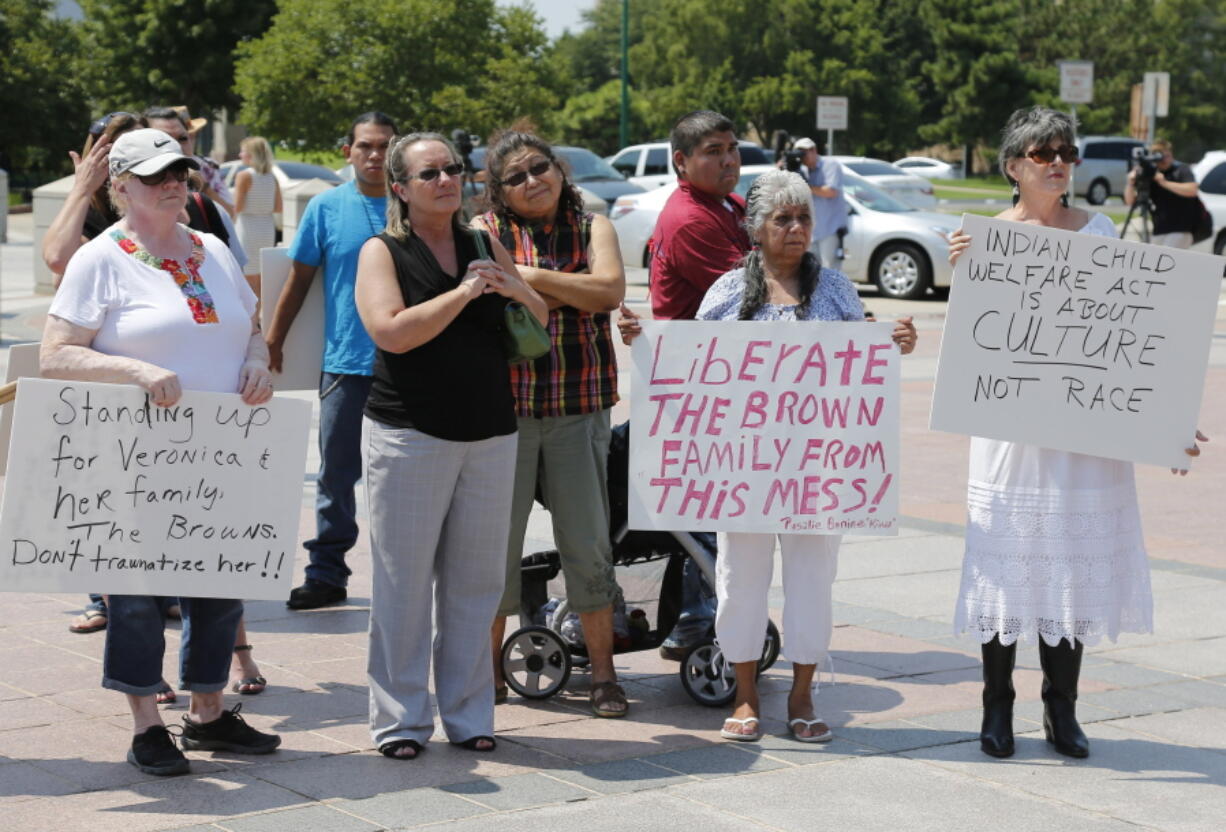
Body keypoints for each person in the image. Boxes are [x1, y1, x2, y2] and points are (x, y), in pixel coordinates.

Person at [947, 106, 1205, 760]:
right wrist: (963, 271)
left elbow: (1133, 335)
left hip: (1082, 436)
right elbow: (974, 347)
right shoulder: (983, 238)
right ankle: (996, 708)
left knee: (1069, 567)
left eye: (1065, 151)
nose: (1058, 162)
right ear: (1013, 167)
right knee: (1006, 570)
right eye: (1042, 152)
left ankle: (1062, 712)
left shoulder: (1098, 231)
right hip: (1010, 437)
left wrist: (1169, 416)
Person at [40, 128, 282, 775]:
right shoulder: (101, 257)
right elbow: (55, 353)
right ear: (120, 188)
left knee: (218, 588)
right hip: (132, 454)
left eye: (177, 170)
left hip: (219, 451)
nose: (173, 182)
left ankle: (207, 712)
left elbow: (250, 329)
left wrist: (258, 363)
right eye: (154, 176)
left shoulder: (211, 249)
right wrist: (135, 373)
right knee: (138, 597)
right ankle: (147, 722)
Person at [693, 169, 916, 743]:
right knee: (740, 577)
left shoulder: (837, 291)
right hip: (743, 466)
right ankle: (744, 694)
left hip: (819, 466)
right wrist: (641, 339)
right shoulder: (723, 294)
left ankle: (801, 692)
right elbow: (691, 368)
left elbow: (864, 361)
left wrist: (893, 342)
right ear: (755, 229)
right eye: (782, 219)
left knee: (812, 578)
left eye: (804, 219)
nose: (795, 229)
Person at [355, 132, 547, 759]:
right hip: (409, 435)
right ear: (401, 188)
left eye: (453, 170)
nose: (445, 180)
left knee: (475, 584)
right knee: (401, 586)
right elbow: (390, 333)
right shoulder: (382, 251)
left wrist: (512, 287)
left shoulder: (482, 240)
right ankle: (402, 722)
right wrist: (464, 293)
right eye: (429, 173)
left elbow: (539, 315)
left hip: (490, 431)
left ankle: (468, 716)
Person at [473, 131, 628, 717]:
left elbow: (609, 291)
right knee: (491, 548)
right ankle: (484, 674)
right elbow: (486, 305)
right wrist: (572, 288)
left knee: (588, 546)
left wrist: (525, 279)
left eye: (540, 167)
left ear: (560, 170)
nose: (532, 180)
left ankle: (605, 675)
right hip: (503, 412)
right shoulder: (483, 232)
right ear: (500, 190)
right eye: (515, 176)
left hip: (579, 405)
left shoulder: (595, 226)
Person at [619, 110, 749, 659]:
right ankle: (696, 622)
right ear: (681, 161)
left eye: (732, 148)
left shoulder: (731, 206)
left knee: (714, 506)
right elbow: (759, 289)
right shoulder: (689, 219)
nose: (727, 160)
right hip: (692, 385)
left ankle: (700, 617)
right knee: (706, 509)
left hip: (719, 378)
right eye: (712, 151)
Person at [268, 112, 397, 610]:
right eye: (365, 146)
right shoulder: (325, 207)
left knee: (406, 476)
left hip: (409, 364)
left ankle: (406, 578)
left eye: (385, 146)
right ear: (347, 151)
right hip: (345, 363)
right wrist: (273, 341)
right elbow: (297, 282)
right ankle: (326, 574)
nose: (374, 156)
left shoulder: (417, 204)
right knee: (336, 475)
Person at [143, 107, 248, 270]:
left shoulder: (207, 207)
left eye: (183, 138)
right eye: (162, 139)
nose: (175, 147)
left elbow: (236, 278)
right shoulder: (118, 220)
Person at [1123, 137, 1201, 249]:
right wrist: (1130, 183)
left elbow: (1192, 190)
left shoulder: (1181, 170)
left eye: (1167, 155)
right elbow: (1130, 201)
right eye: (1161, 156)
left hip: (1181, 229)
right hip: (1159, 230)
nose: (1164, 160)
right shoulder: (1150, 174)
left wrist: (1164, 183)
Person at [233, 136, 282, 295]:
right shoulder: (272, 177)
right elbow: (278, 207)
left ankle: (250, 319)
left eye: (243, 151)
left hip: (247, 227)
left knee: (246, 277)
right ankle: (258, 317)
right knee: (260, 278)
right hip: (266, 227)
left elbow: (237, 207)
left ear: (252, 155)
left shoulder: (244, 175)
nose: (240, 155)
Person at [792, 137, 847, 268]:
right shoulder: (803, 170)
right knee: (811, 272)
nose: (803, 157)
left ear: (814, 150)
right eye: (800, 153)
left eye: (805, 152)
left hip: (830, 228)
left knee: (830, 271)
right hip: (811, 230)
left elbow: (831, 191)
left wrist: (806, 186)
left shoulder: (830, 165)